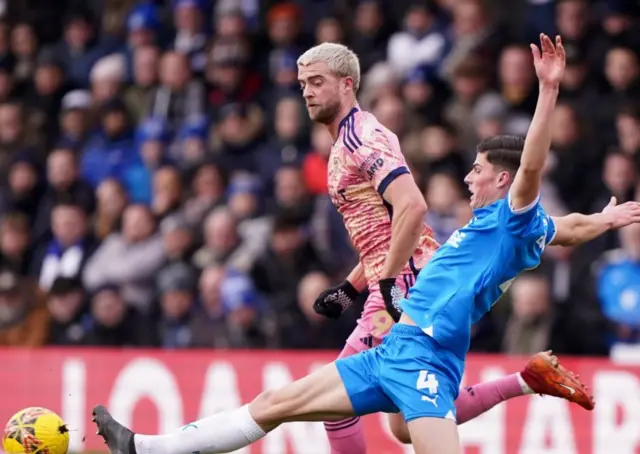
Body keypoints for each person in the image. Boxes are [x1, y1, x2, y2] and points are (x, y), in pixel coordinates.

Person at [92, 35, 640, 454]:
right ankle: (147, 448)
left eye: (477, 170)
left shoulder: (514, 214)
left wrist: (547, 90)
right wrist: (605, 218)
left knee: (399, 425)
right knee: (285, 404)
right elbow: (566, 227)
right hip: (401, 343)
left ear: (502, 179)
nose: (468, 178)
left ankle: (522, 379)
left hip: (420, 341)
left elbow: (526, 169)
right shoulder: (507, 223)